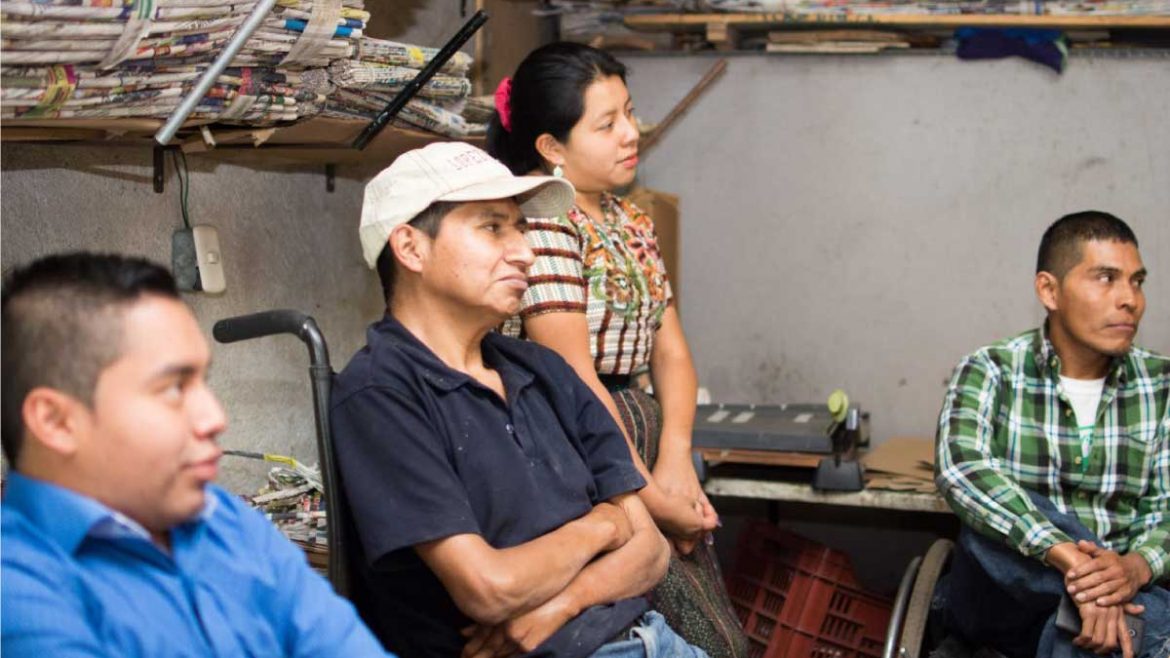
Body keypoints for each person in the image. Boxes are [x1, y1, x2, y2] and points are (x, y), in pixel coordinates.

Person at [332, 141, 710, 658]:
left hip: (650, 639)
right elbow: (489, 589)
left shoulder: (542, 369)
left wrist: (563, 604)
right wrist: (606, 523)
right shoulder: (382, 395)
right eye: (493, 228)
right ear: (411, 248)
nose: (525, 252)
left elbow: (650, 552)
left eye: (521, 228)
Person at [485, 42, 747, 658]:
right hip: (584, 450)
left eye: (628, 112)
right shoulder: (543, 225)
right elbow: (574, 380)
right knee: (662, 629)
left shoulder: (631, 221)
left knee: (719, 636)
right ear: (551, 147)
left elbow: (671, 350)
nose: (631, 132)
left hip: (645, 439)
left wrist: (676, 459)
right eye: (606, 124)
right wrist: (651, 497)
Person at [0, 252, 392, 658]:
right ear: (57, 421)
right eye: (173, 388)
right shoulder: (18, 591)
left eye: (203, 382)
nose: (215, 417)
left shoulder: (225, 521)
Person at [935, 211, 1169, 658]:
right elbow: (962, 471)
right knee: (994, 510)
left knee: (1080, 630)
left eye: (1137, 282)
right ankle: (1150, 626)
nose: (1130, 300)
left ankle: (1114, 615)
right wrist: (1071, 559)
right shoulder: (992, 369)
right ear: (1049, 290)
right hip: (1003, 601)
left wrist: (1133, 569)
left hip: (1112, 612)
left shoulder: (1162, 383)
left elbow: (1165, 510)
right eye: (1106, 278)